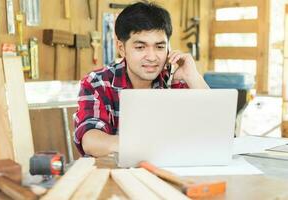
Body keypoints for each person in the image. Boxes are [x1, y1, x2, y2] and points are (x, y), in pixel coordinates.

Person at [74, 2, 209, 157]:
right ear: (121, 48)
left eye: (159, 47)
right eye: (140, 47)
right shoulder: (98, 83)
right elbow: (91, 141)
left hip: (172, 173)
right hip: (115, 174)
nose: (152, 57)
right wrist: (150, 146)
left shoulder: (176, 81)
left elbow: (216, 129)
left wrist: (193, 77)